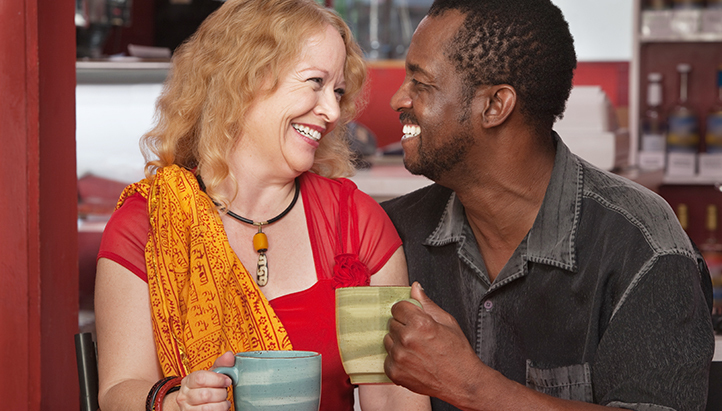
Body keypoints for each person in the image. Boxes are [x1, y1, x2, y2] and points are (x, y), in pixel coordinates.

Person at [93, 1, 430, 410]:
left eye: (338, 90)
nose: (332, 110)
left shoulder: (355, 226)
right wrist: (171, 404)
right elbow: (119, 390)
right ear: (247, 78)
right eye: (315, 82)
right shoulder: (146, 224)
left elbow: (393, 399)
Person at [380, 0, 715, 410]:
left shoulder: (645, 249)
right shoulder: (392, 234)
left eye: (421, 83)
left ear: (494, 105)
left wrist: (471, 386)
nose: (398, 99)